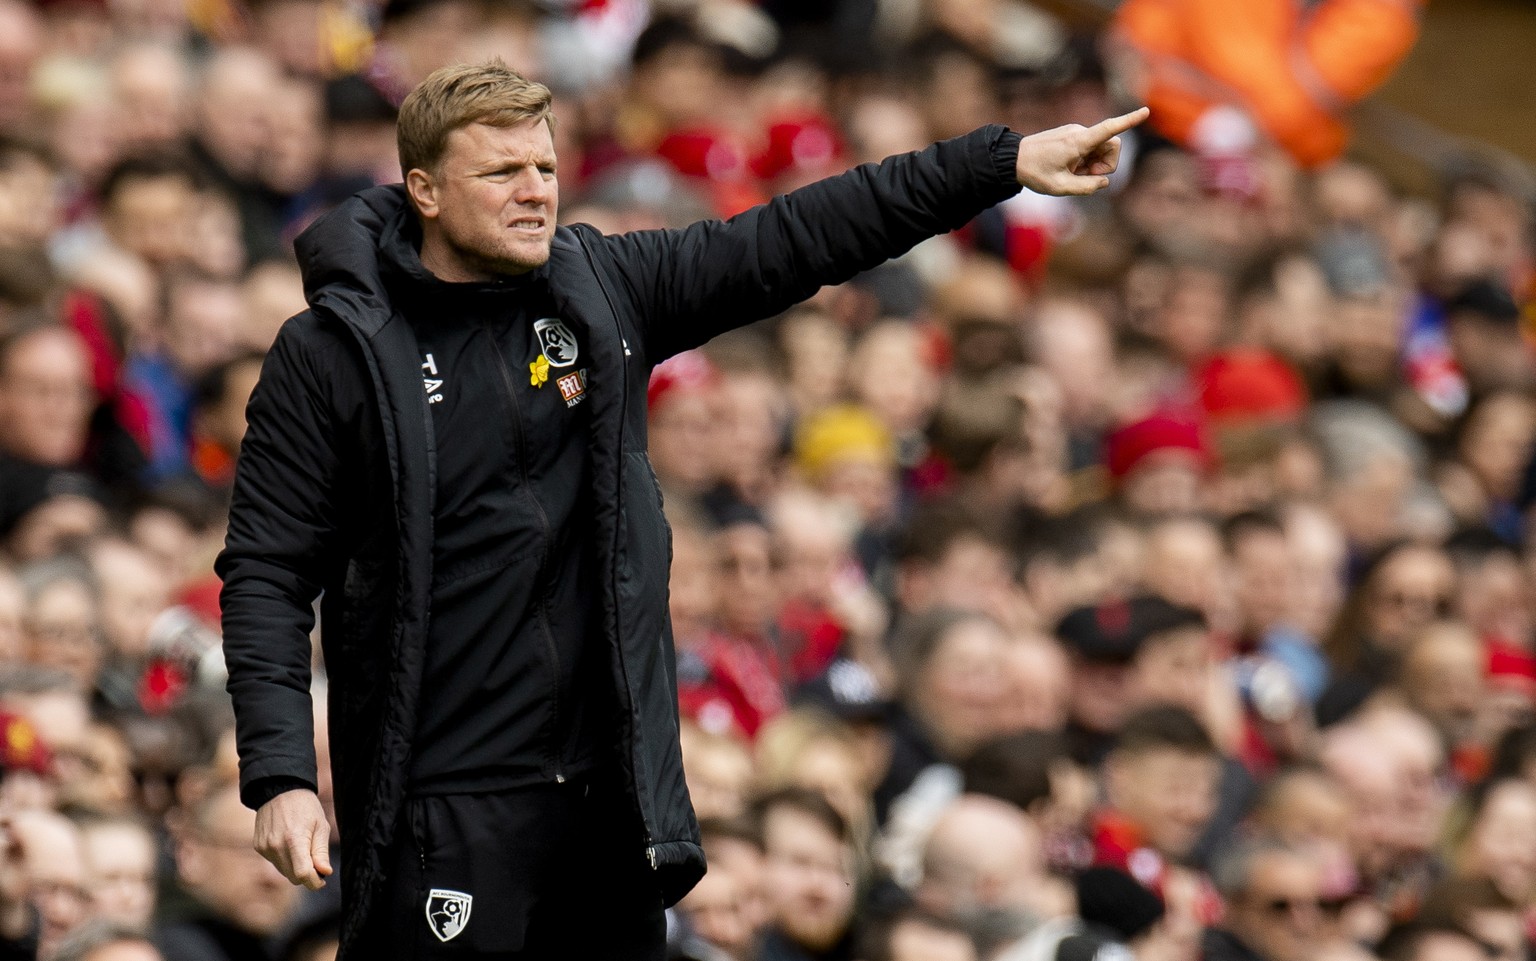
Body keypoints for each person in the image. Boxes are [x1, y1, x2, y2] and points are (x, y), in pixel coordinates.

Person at [215, 58, 1147, 960]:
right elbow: (267, 568)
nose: (535, 190)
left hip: (605, 808)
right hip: (443, 802)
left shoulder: (603, 289)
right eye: (501, 172)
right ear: (423, 190)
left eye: (545, 166)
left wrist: (996, 165)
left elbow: (797, 235)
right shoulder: (333, 352)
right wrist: (283, 775)